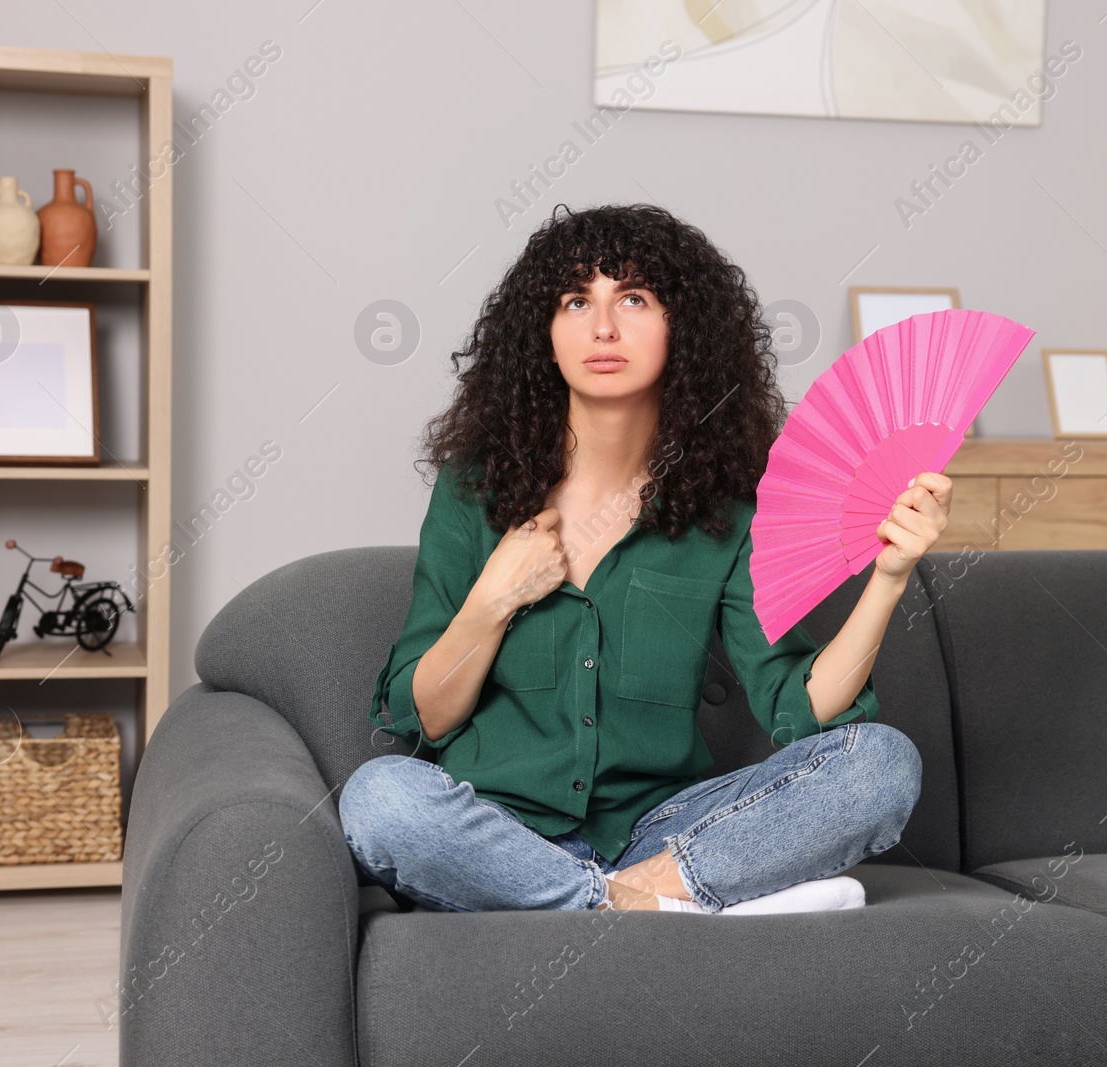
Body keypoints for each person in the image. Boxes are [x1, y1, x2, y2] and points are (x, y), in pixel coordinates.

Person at [340, 203, 946, 914]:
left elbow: (800, 710)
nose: (603, 326)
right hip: (499, 826)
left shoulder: (731, 512)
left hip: (660, 834)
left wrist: (889, 577)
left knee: (880, 763)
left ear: (682, 330)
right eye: (576, 301)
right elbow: (424, 719)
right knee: (380, 798)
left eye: (633, 297)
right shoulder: (474, 491)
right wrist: (493, 598)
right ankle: (659, 903)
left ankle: (613, 899)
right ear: (544, 333)